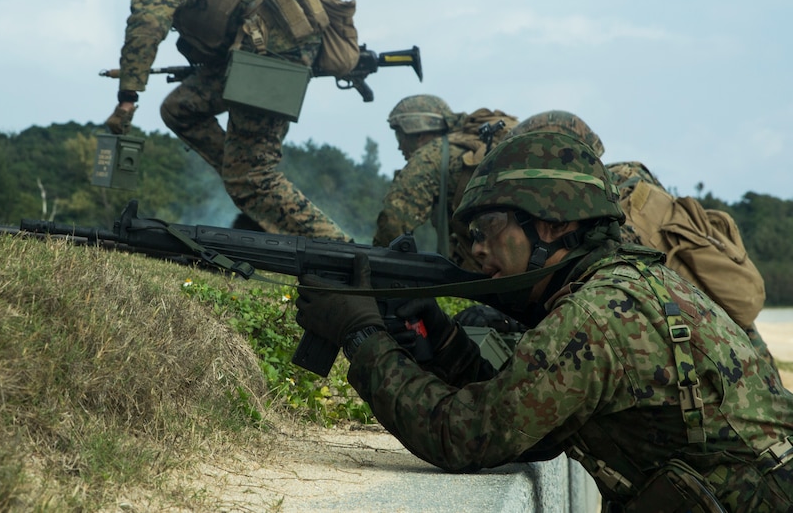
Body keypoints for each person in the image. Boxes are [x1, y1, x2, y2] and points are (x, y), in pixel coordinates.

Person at [295, 130, 793, 511]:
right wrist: (444, 338)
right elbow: (532, 422)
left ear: (554, 225)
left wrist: (360, 333)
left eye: (490, 228)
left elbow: (462, 435)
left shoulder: (593, 318)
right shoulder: (629, 283)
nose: (476, 248)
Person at [94, 0, 348, 240]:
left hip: (267, 53)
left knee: (252, 180)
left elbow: (147, 23)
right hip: (261, 49)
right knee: (180, 109)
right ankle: (250, 182)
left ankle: (345, 256)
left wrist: (127, 98)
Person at [503, 110, 777, 371]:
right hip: (737, 348)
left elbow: (592, 309)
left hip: (725, 364)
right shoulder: (627, 178)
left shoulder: (608, 213)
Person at [373, 94, 516, 271]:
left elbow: (394, 221)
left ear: (419, 135)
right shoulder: (470, 147)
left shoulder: (431, 156)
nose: (399, 146)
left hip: (481, 272)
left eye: (399, 136)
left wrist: (374, 264)